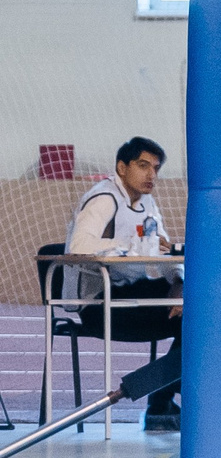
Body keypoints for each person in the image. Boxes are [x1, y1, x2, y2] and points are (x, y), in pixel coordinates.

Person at [64, 135, 183, 432]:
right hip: (98, 303)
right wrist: (131, 245)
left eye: (156, 168)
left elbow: (159, 251)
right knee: (194, 320)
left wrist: (179, 283)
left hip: (130, 294)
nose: (151, 174)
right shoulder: (104, 198)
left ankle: (160, 397)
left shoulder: (149, 204)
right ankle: (158, 398)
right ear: (121, 167)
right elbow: (78, 246)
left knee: (201, 307)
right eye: (143, 166)